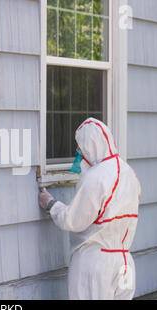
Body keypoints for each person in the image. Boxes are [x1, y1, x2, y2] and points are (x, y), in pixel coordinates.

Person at [39, 118, 141, 300]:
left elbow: (74, 220)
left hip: (95, 264)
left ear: (89, 145)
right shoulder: (128, 173)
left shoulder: (96, 177)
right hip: (125, 263)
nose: (79, 153)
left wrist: (51, 204)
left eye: (80, 147)